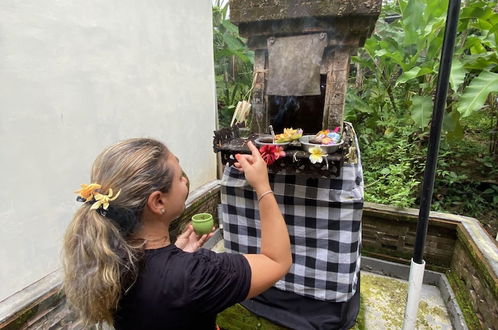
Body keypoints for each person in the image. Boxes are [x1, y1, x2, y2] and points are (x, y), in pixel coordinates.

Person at [62, 138, 292, 329]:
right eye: (180, 176)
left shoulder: (110, 258)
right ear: (158, 201)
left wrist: (176, 256)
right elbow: (276, 261)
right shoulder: (196, 275)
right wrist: (262, 186)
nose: (185, 181)